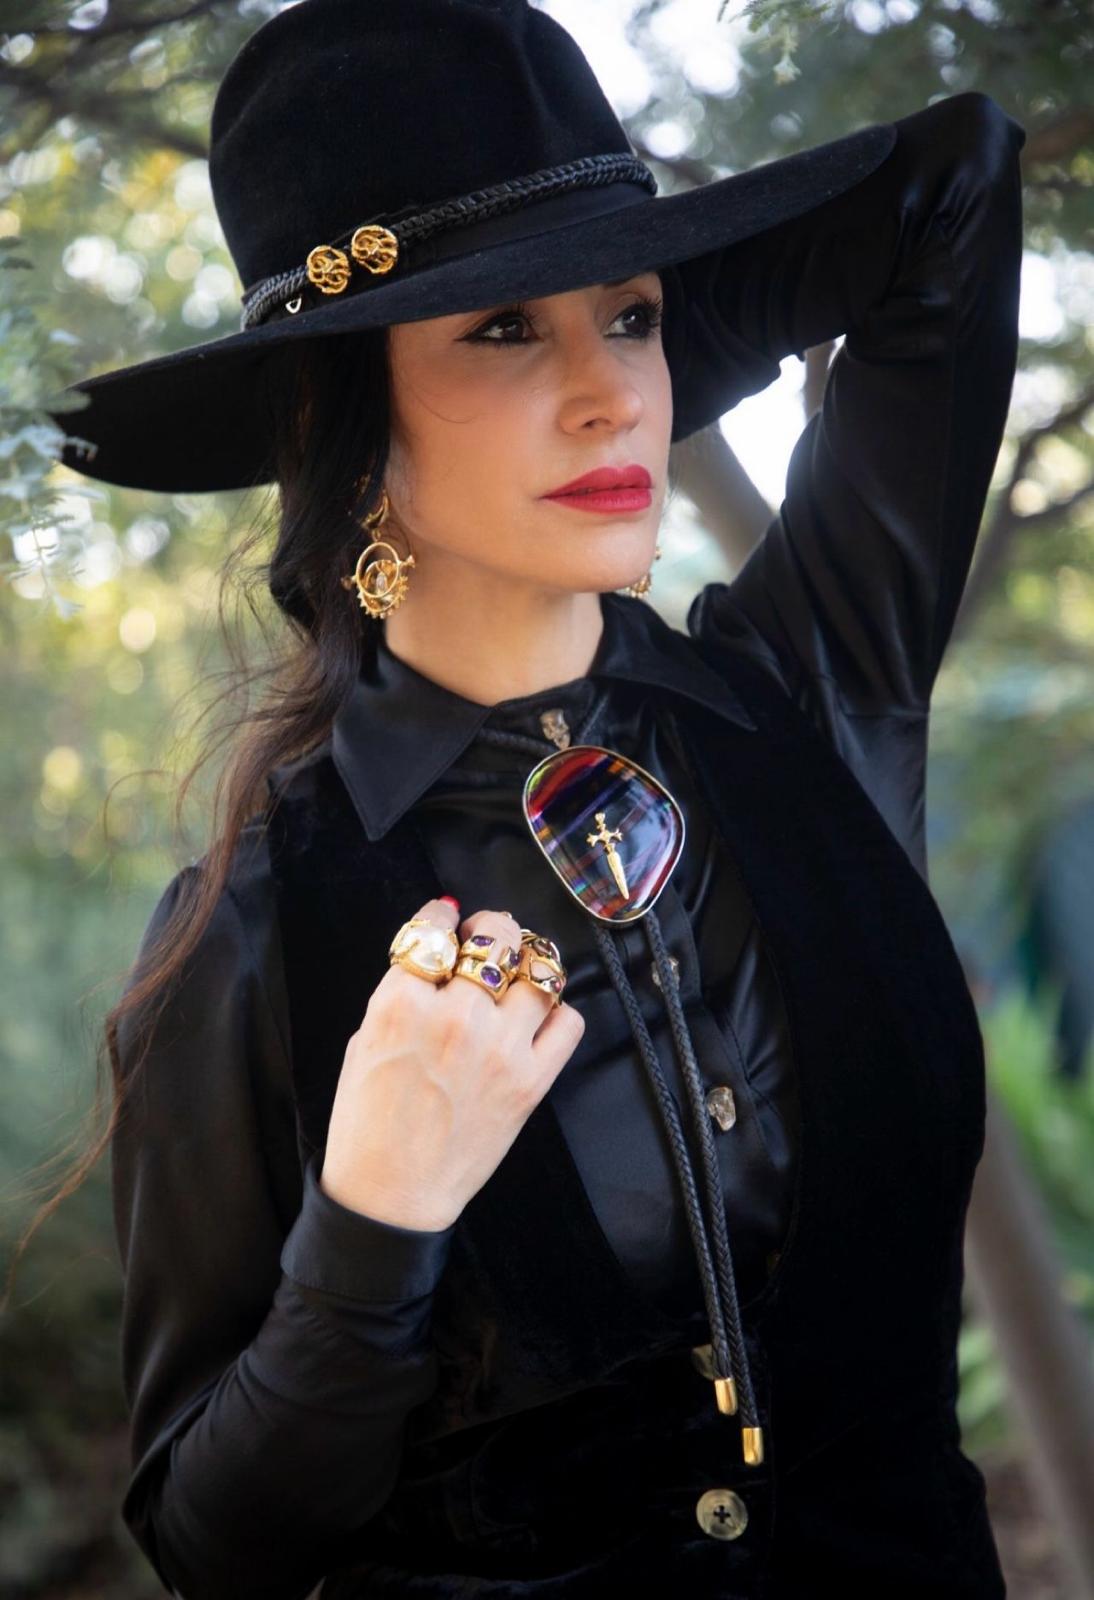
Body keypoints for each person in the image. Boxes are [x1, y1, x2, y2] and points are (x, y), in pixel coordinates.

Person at [48, 1, 1026, 1595]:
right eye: (501, 331)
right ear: (329, 412)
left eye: (629, 318)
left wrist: (628, 352)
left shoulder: (806, 699)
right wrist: (372, 1218)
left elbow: (956, 181)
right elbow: (214, 1545)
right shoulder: (251, 932)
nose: (607, 395)